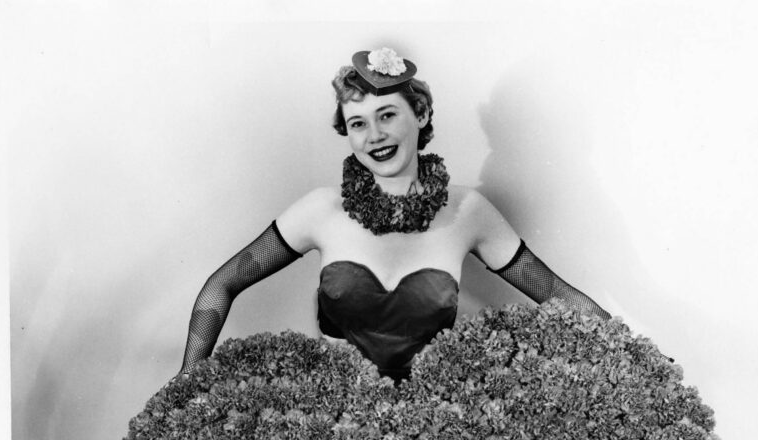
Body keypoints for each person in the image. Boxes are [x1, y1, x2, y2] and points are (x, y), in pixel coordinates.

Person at [179, 46, 609, 381]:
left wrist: (635, 354)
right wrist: (187, 379)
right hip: (336, 423)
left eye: (387, 115)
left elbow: (558, 295)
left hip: (431, 422)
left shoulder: (468, 211)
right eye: (358, 123)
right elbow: (222, 285)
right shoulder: (319, 210)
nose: (375, 136)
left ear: (419, 114)